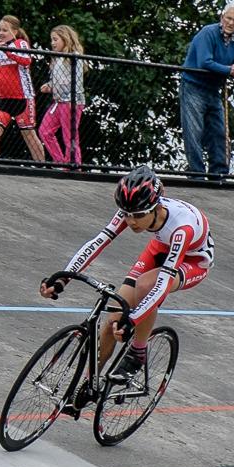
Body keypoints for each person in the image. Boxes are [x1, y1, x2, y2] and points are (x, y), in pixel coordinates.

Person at [40, 167, 213, 411]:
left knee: (146, 286)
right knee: (113, 317)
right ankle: (90, 384)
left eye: (138, 215)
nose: (131, 221)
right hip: (160, 248)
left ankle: (138, 352)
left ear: (156, 207)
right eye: (127, 214)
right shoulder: (133, 210)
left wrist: (132, 320)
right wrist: (63, 278)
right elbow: (98, 242)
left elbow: (162, 282)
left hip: (192, 260)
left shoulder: (182, 228)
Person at [180, 5, 234, 178]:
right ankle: (196, 173)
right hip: (194, 86)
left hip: (214, 89)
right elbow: (205, 62)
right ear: (222, 17)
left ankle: (218, 173)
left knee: (219, 132)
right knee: (194, 131)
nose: (230, 23)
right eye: (228, 18)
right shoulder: (208, 33)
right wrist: (230, 70)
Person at [0, 15, 47, 161]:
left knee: (29, 135)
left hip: (23, 98)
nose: (0, 33)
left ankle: (41, 165)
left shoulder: (20, 43)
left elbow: (26, 60)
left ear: (15, 31)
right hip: (4, 99)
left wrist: (7, 51)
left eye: (5, 30)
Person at [37, 25, 89, 166]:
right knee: (45, 131)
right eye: (51, 40)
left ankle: (74, 166)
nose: (52, 43)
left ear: (65, 39)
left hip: (72, 101)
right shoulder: (57, 58)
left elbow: (75, 81)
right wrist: (50, 85)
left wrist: (55, 86)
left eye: (55, 39)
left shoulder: (74, 56)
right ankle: (61, 163)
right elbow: (58, 79)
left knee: (69, 136)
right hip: (59, 101)